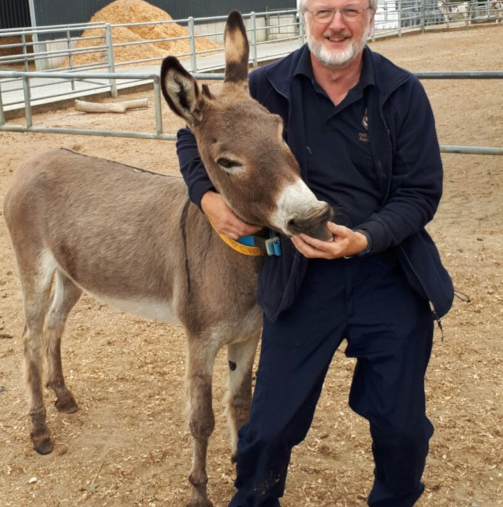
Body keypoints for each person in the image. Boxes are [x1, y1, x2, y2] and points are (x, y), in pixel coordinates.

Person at [176, 1, 454, 505]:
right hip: (299, 275)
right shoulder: (266, 86)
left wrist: (366, 238)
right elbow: (189, 135)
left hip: (386, 269)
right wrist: (209, 198)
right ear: (306, 15)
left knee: (403, 427)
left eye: (351, 9)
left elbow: (421, 193)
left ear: (370, 14)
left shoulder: (402, 93)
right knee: (269, 427)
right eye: (324, 9)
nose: (337, 23)